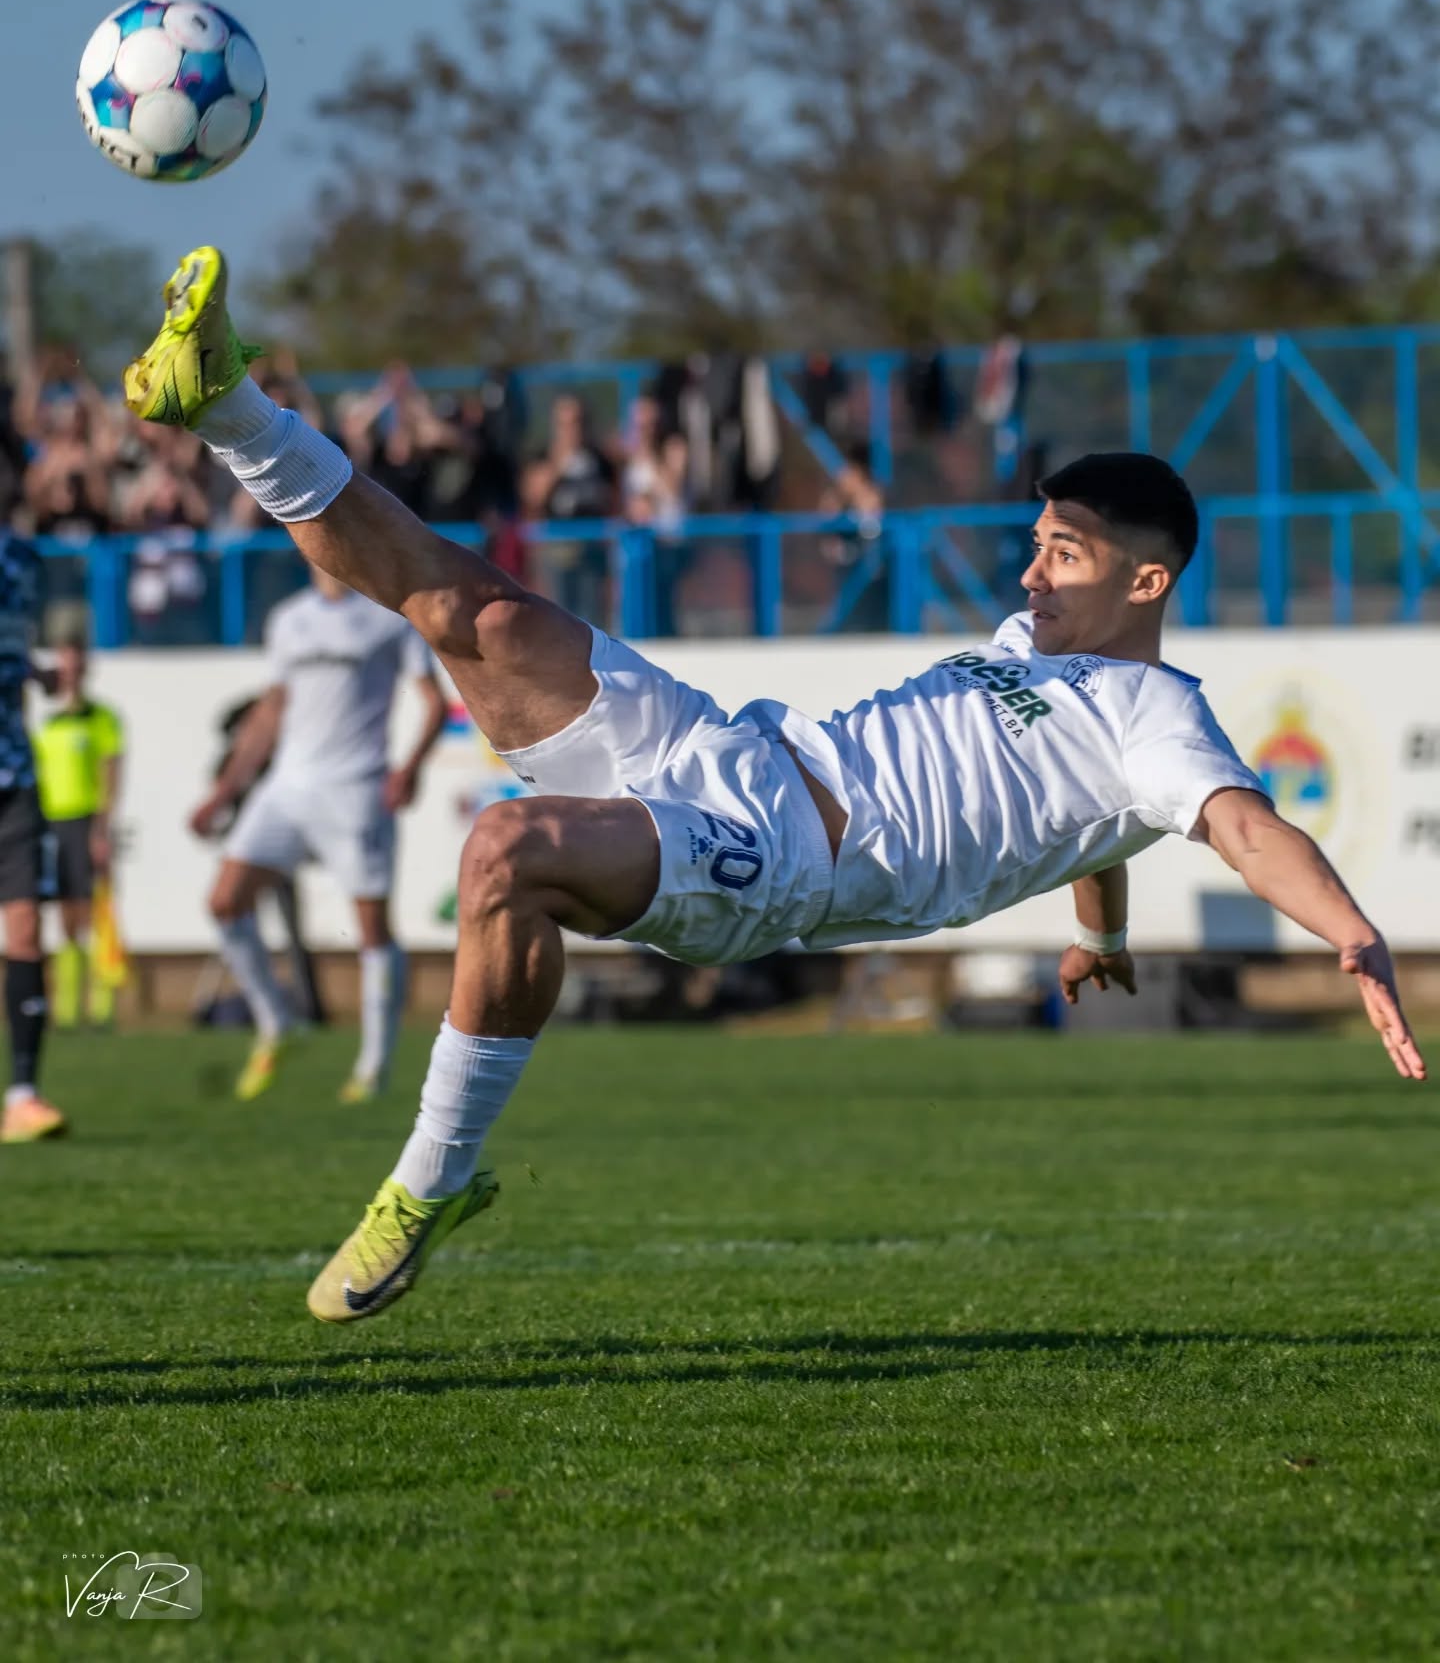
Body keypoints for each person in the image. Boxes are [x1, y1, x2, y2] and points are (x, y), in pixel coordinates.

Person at [124, 248, 1424, 1326]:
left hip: (781, 860)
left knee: (504, 853)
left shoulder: (1162, 715)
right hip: (723, 750)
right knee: (471, 608)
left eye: (1065, 555)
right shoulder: (1039, 648)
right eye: (1034, 544)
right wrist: (1107, 933)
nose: (1031, 574)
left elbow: (1241, 825)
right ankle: (228, 401)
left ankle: (428, 1180)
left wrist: (1350, 930)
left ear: (1147, 582)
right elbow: (1099, 815)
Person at [187, 558, 447, 1103]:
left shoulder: (388, 617)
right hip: (287, 788)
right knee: (225, 902)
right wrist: (224, 791)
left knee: (371, 928)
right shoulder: (289, 619)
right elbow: (270, 712)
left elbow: (433, 703)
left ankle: (374, 1066)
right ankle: (277, 1023)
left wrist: (411, 767)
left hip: (356, 790)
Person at [0, 523, 62, 1141]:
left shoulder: (21, 554)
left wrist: (33, 672)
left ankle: (23, 1094)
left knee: (25, 930)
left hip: (15, 773)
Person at [32, 634, 125, 1028]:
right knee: (65, 910)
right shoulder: (47, 721)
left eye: (76, 664)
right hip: (52, 821)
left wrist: (101, 829)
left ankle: (101, 1002)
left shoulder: (101, 718)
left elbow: (110, 773)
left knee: (93, 907)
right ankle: (68, 1006)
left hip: (86, 821)